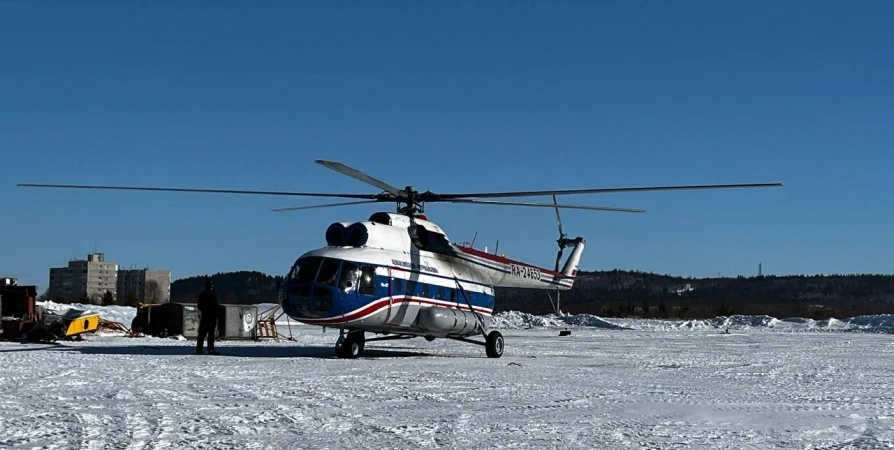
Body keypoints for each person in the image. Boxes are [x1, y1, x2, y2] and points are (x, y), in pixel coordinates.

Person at [196, 278, 220, 355]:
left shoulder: (202, 295)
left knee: (201, 334)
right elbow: (216, 306)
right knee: (211, 334)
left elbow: (199, 306)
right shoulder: (212, 295)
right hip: (211, 317)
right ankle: (210, 349)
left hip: (205, 316)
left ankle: (199, 349)